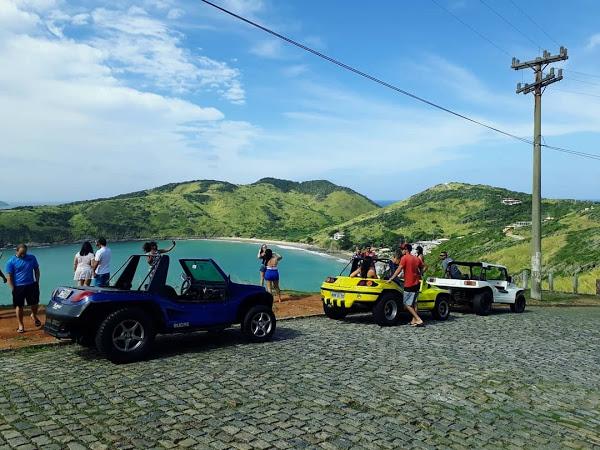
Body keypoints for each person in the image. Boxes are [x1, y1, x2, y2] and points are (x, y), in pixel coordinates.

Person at [5, 244, 41, 334]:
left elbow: (36, 269)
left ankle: (34, 315)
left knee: (35, 303)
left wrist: (37, 281)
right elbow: (9, 276)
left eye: (24, 253)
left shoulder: (32, 258)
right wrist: (13, 288)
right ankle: (21, 325)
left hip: (31, 284)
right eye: (21, 253)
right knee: (19, 306)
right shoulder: (11, 262)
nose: (23, 255)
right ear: (16, 251)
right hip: (18, 287)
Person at [388, 244, 424, 327]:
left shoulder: (404, 258)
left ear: (406, 249)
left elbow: (398, 269)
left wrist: (391, 278)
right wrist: (420, 274)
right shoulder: (416, 258)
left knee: (407, 304)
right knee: (414, 303)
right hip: (417, 283)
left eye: (402, 249)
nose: (401, 251)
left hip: (409, 283)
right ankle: (413, 321)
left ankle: (418, 319)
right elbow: (424, 266)